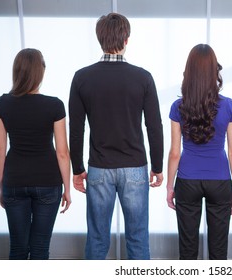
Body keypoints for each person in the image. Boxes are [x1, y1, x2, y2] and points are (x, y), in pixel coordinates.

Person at [69, 13, 164, 260]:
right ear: (126, 39)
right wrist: (157, 165)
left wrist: (77, 169)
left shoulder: (82, 77)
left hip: (99, 168)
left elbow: (76, 128)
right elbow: (154, 125)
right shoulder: (143, 77)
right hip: (135, 168)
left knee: (97, 239)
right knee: (138, 238)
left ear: (99, 38)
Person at [0, 48, 71, 260]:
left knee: (18, 249)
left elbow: (0, 150)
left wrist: (3, 187)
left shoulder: (2, 103)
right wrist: (67, 189)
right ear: (41, 73)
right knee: (39, 248)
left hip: (14, 182)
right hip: (48, 183)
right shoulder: (54, 105)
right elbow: (62, 152)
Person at [166, 44, 232, 260]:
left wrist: (170, 187)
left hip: (187, 181)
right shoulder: (229, 106)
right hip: (219, 181)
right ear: (214, 72)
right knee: (219, 252)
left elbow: (174, 152)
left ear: (188, 72)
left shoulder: (178, 107)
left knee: (187, 251)